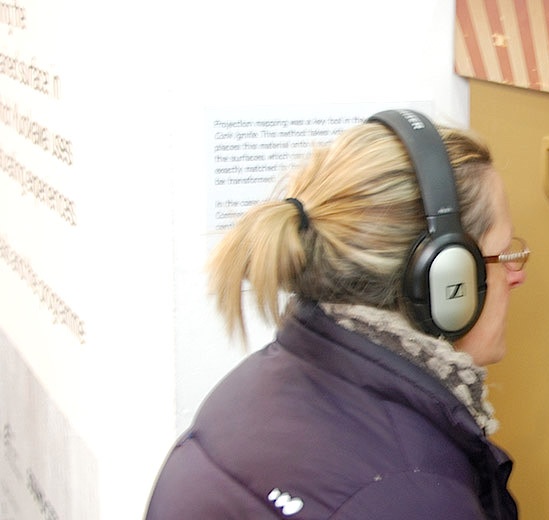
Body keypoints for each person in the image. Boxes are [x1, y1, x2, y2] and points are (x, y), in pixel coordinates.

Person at [145, 110, 526, 519]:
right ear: (444, 277)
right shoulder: (415, 494)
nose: (517, 274)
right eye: (504, 255)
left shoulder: (241, 394)